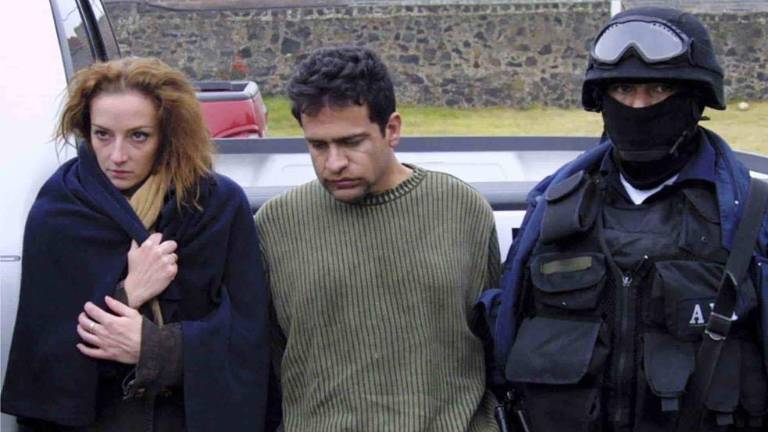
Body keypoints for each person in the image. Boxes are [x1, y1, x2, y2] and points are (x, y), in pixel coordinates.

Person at [485, 6, 768, 431]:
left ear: (696, 100)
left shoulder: (750, 215)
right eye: (623, 88)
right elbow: (503, 349)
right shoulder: (549, 208)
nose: (638, 104)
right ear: (601, 99)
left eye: (659, 88)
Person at [1, 57, 272, 431]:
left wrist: (155, 348)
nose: (117, 156)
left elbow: (246, 337)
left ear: (168, 134)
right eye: (102, 135)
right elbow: (45, 355)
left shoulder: (214, 206)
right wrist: (129, 292)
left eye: (138, 136)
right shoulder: (61, 209)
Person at [255, 46, 500, 431]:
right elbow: (263, 359)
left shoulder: (463, 209)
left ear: (392, 129)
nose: (334, 162)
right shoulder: (275, 225)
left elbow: (495, 342)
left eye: (352, 142)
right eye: (318, 145)